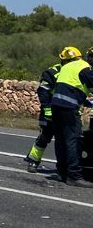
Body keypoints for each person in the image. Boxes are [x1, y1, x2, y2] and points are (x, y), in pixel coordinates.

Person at [25, 48, 80, 172]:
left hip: (66, 111)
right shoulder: (52, 72)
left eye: (75, 60)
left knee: (69, 139)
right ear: (63, 60)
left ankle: (66, 166)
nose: (73, 63)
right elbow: (43, 91)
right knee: (45, 136)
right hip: (50, 110)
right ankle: (33, 161)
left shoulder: (76, 72)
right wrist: (47, 109)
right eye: (70, 60)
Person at [49, 46, 93, 187]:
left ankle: (62, 172)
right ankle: (74, 175)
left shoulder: (70, 66)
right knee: (74, 140)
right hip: (68, 109)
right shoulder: (85, 68)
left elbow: (70, 87)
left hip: (56, 106)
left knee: (61, 140)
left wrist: (85, 101)